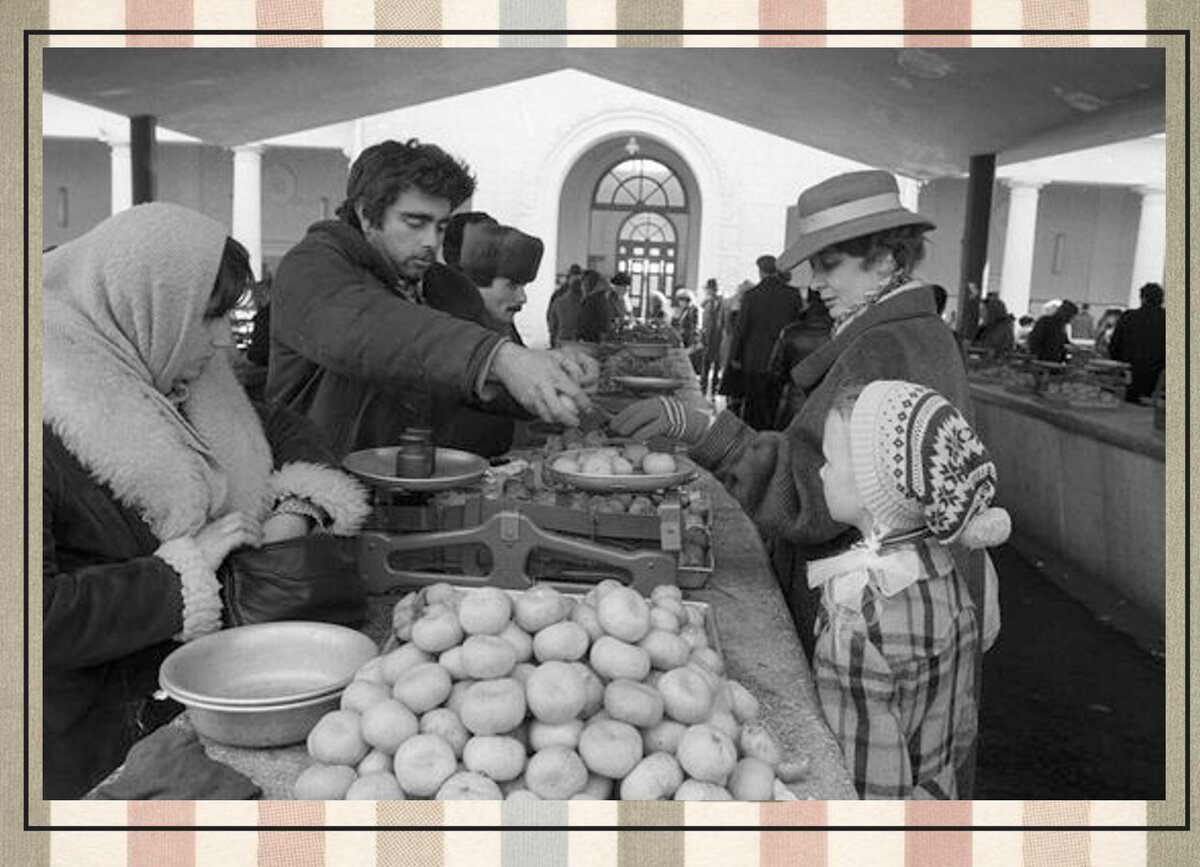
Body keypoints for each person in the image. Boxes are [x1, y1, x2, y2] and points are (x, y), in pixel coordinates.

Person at [42, 204, 371, 798]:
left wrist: (298, 505)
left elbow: (282, 428)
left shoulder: (170, 367)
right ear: (148, 305)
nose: (225, 339)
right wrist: (181, 570)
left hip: (193, 711)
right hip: (85, 748)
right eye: (209, 317)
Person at [610, 170, 984, 672]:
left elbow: (809, 497)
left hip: (865, 617)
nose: (816, 281)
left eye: (830, 263)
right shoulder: (920, 333)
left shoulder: (884, 347)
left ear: (888, 257)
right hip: (902, 605)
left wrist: (702, 428)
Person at [266, 138, 596, 459]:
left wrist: (552, 378)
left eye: (440, 227)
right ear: (367, 215)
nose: (430, 242)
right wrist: (497, 357)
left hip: (416, 495)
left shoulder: (446, 288)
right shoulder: (311, 267)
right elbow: (366, 328)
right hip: (317, 500)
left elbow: (472, 383)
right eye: (415, 222)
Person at [810, 380, 1009, 798]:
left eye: (829, 460)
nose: (820, 471)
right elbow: (962, 725)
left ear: (873, 486)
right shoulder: (949, 576)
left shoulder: (858, 624)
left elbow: (868, 791)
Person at [430, 222, 545, 456]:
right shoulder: (452, 329)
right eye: (512, 285)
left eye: (523, 285)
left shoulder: (501, 325)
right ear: (475, 283)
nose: (522, 297)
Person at [729, 254, 804, 430]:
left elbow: (741, 329)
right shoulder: (792, 295)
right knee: (776, 404)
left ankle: (752, 442)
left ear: (760, 272)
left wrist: (735, 357)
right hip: (783, 359)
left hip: (753, 358)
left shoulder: (752, 295)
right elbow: (798, 324)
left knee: (753, 405)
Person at [768, 289, 833, 427]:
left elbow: (776, 373)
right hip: (828, 409)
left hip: (794, 405)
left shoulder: (790, 332)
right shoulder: (842, 333)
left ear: (808, 301)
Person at [1109, 282, 1166, 402]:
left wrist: (1120, 365)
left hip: (1130, 374)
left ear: (1142, 298)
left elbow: (1114, 346)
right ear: (1161, 299)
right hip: (1159, 379)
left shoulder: (1129, 316)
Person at [699, 278, 725, 396]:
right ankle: (703, 390)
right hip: (708, 338)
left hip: (718, 338)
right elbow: (704, 321)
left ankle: (714, 391)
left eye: (709, 289)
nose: (708, 292)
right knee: (705, 365)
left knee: (716, 367)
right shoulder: (706, 303)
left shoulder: (722, 302)